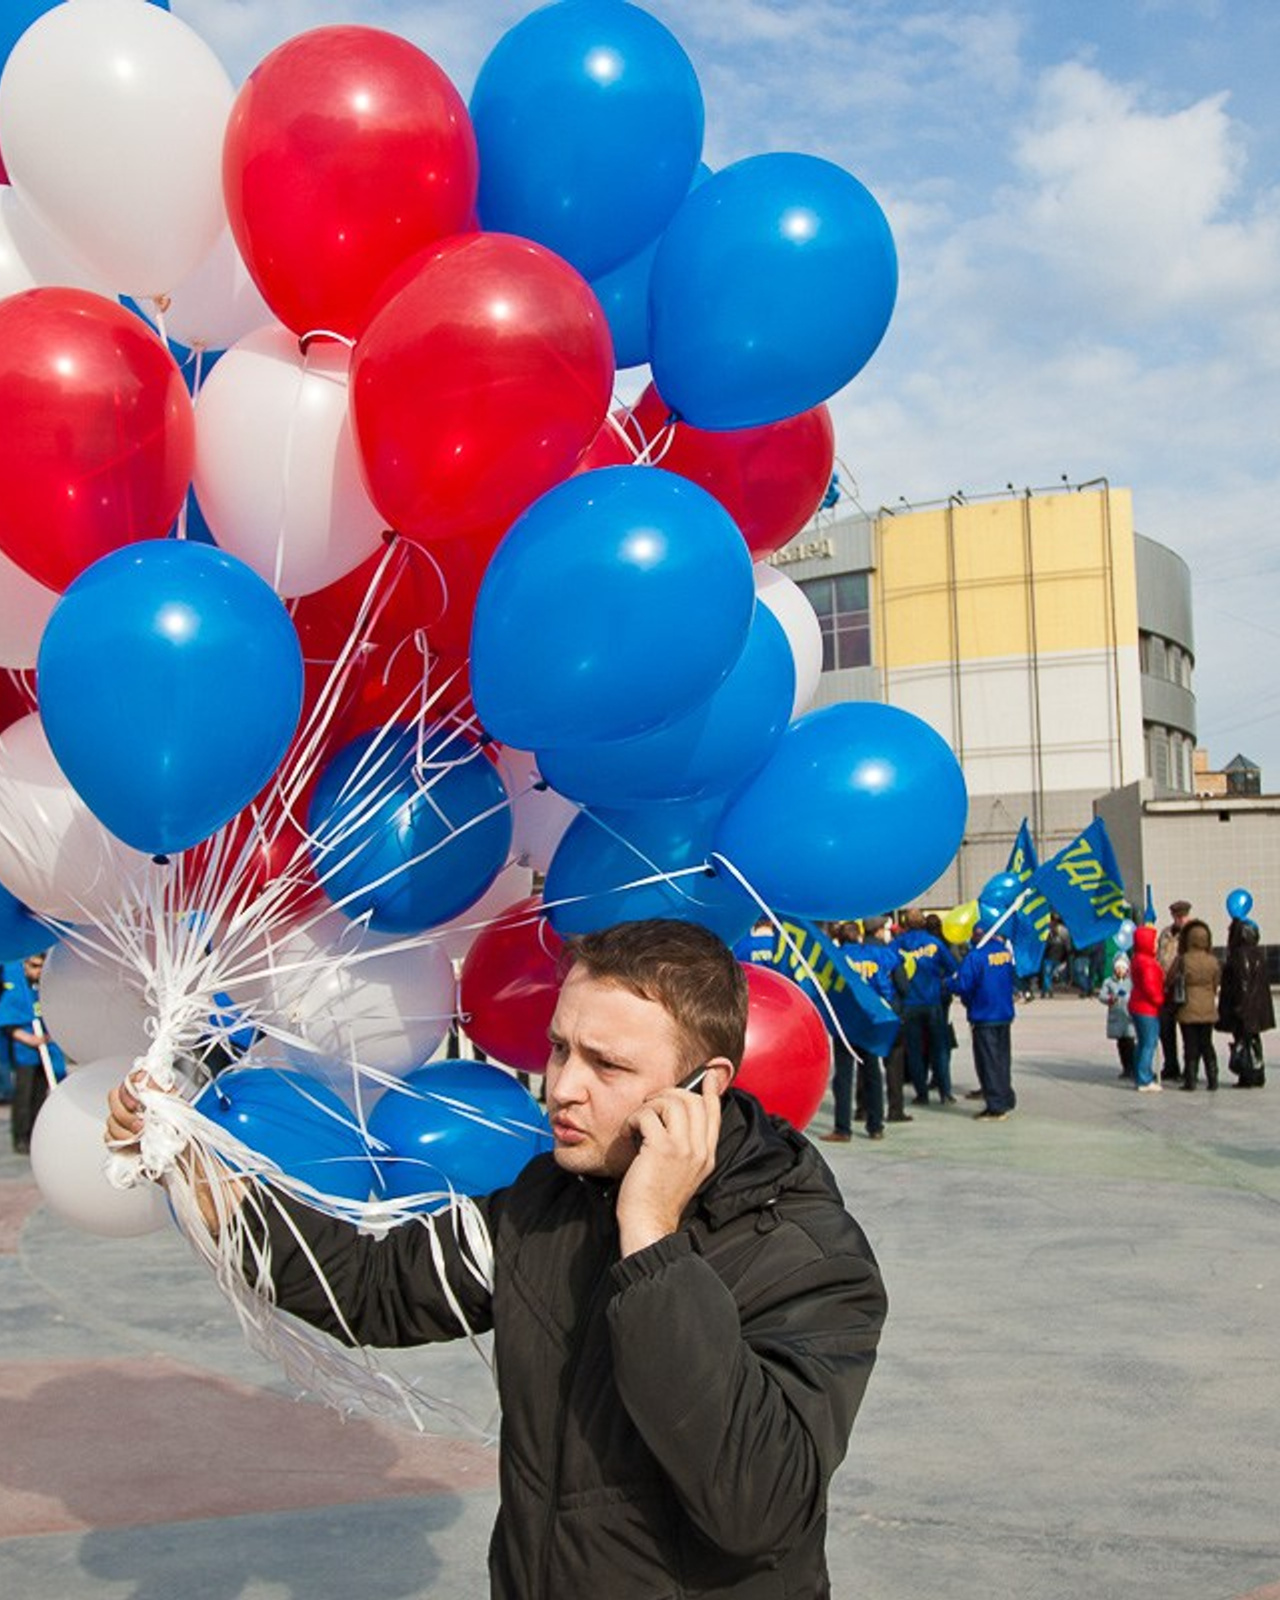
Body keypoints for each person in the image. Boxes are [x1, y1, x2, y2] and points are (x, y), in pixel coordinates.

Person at [107, 918, 887, 1600]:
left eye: (606, 1066)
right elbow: (379, 1284)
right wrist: (203, 1174)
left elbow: (759, 1503)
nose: (561, 1088)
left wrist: (651, 1240)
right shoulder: (547, 1201)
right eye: (557, 1048)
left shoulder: (804, 1251)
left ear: (703, 1088)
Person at [821, 920, 896, 1142]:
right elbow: (885, 983)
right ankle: (876, 1126)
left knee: (843, 1077)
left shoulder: (836, 958)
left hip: (845, 1024)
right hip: (870, 1022)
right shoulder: (873, 954)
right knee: (873, 1073)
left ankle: (843, 1128)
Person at [948, 923, 1017, 1120]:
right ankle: (1005, 1097)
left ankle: (995, 1105)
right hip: (1003, 1013)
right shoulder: (1004, 953)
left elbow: (963, 984)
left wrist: (948, 984)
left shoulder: (975, 957)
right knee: (1002, 1060)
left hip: (984, 1013)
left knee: (988, 1061)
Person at [0, 951, 65, 1154]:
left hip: (46, 1050)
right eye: (34, 966)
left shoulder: (45, 990)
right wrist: (29, 1039)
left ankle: (36, 1135)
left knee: (39, 1096)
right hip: (25, 1052)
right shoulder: (17, 991)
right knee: (24, 1097)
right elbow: (8, 1022)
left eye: (40, 967)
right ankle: (20, 1136)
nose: (37, 971)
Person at [894, 910, 959, 1105]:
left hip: (909, 1002)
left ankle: (921, 1093)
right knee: (939, 1048)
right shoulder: (934, 943)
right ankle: (945, 1091)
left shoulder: (897, 944)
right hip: (933, 1001)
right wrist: (941, 984)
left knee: (914, 1050)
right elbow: (953, 968)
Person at [1217, 918, 1273, 1088]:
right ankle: (1257, 1072)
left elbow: (1243, 984)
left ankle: (1247, 1074)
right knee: (1253, 1040)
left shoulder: (1240, 955)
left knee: (1243, 1040)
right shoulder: (1257, 953)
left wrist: (1240, 1007)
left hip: (1245, 1007)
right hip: (1257, 1007)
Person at [1169, 918, 1222, 1091]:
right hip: (1207, 1008)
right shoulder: (1213, 961)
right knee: (1207, 1044)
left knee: (1190, 1045)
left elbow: (1170, 979)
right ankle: (1213, 1079)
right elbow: (1216, 983)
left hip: (1187, 1008)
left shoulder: (1183, 960)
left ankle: (1190, 1079)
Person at [1156, 899, 1192, 1080]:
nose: (1180, 920)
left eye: (1183, 916)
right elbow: (1159, 957)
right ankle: (1171, 1065)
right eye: (1177, 916)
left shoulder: (1193, 935)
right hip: (1165, 990)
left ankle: (1189, 1068)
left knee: (1187, 1032)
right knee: (1165, 1029)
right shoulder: (1166, 934)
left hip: (1184, 989)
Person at [1129, 925, 1165, 1092]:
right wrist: (1160, 1000)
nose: (1156, 945)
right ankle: (1144, 1079)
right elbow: (1151, 987)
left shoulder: (1137, 959)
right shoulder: (1148, 963)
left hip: (1137, 1005)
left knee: (1142, 1042)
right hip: (1147, 1008)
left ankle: (1139, 1074)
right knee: (1149, 1043)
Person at [1096, 955, 1136, 1079]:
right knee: (1121, 1044)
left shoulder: (1131, 982)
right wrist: (1109, 999)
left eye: (1123, 968)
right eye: (1118, 968)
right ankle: (1125, 1067)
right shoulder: (1109, 982)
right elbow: (1101, 996)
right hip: (1116, 1017)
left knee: (1130, 1043)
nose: (1120, 970)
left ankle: (1132, 1067)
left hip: (1128, 1017)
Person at [1039, 915, 1071, 998]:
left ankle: (1048, 990)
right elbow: (1067, 944)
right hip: (1056, 956)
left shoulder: (1048, 931)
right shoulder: (1062, 931)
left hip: (1049, 956)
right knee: (1047, 974)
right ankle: (1044, 991)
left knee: (1046, 974)